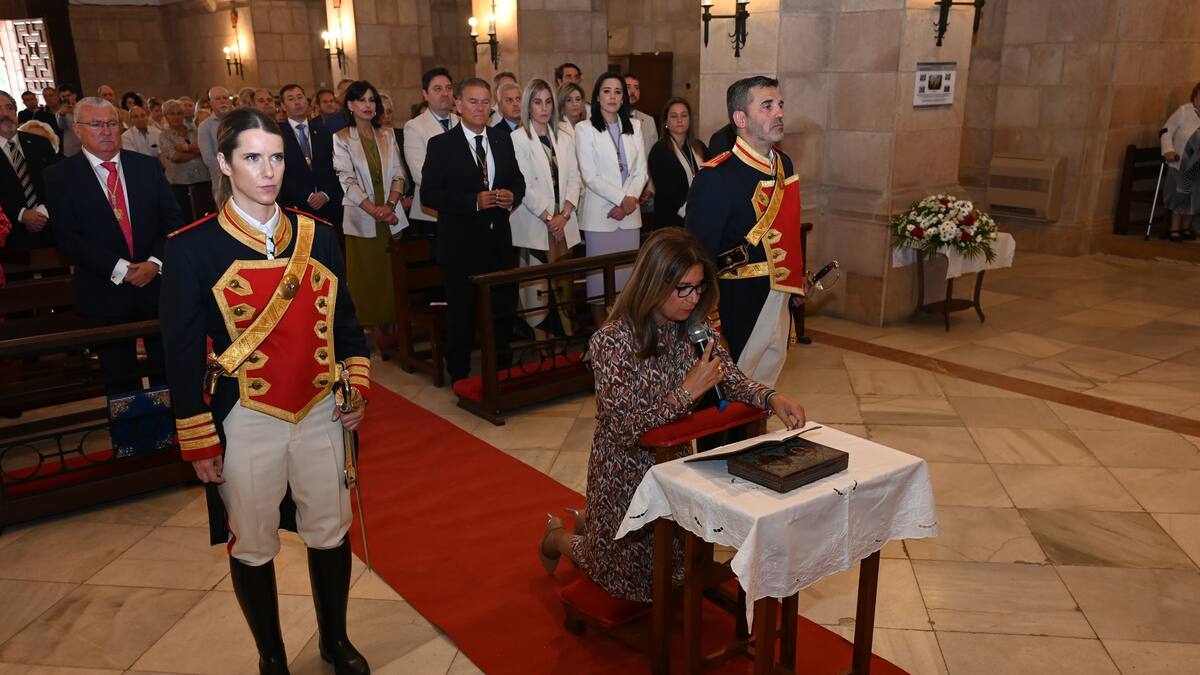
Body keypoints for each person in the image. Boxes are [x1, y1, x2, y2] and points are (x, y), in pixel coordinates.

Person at [159, 107, 371, 675]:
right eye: (253, 158)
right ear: (225, 165)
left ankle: (335, 640)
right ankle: (271, 654)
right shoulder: (191, 248)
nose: (268, 170)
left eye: (276, 157)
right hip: (245, 416)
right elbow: (179, 353)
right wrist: (198, 437)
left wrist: (355, 387)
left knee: (330, 532)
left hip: (320, 412)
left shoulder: (319, 237)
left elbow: (346, 325)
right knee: (253, 543)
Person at [537, 228, 807, 598]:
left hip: (675, 464)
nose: (692, 299)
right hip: (624, 472)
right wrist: (686, 393)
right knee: (624, 581)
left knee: (675, 569)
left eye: (698, 288)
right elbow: (625, 428)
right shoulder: (612, 340)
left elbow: (731, 378)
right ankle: (558, 536)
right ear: (654, 282)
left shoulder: (695, 330)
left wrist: (770, 397)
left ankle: (590, 523)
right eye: (683, 288)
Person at [46, 97, 180, 393]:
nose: (106, 131)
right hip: (103, 289)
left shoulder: (146, 167)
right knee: (119, 379)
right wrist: (121, 268)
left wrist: (155, 263)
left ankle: (172, 433)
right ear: (78, 130)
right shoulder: (61, 176)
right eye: (96, 124)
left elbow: (173, 222)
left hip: (155, 286)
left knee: (167, 370)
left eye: (111, 124)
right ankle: (131, 438)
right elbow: (68, 238)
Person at [685, 76, 804, 388]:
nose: (778, 112)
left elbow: (787, 229)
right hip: (735, 304)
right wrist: (709, 321)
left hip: (777, 298)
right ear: (740, 118)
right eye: (767, 106)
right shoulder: (716, 176)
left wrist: (794, 280)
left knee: (762, 396)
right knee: (726, 399)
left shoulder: (784, 165)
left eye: (780, 105)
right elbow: (697, 256)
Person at [421, 77, 525, 383]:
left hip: (499, 243)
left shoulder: (502, 139)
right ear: (458, 105)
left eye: (484, 102)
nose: (480, 108)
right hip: (460, 247)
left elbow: (517, 181)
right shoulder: (441, 145)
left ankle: (502, 369)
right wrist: (472, 202)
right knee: (462, 316)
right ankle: (461, 375)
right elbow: (430, 195)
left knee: (502, 311)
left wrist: (512, 196)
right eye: (473, 101)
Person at [332, 80, 407, 354]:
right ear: (350, 105)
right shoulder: (341, 138)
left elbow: (399, 173)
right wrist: (372, 208)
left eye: (372, 100)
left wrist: (388, 205)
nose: (368, 105)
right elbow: (346, 179)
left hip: (390, 213)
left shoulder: (386, 135)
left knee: (391, 274)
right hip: (362, 216)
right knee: (367, 276)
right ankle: (371, 330)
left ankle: (394, 326)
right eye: (361, 100)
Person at [575, 72, 647, 327]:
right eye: (607, 91)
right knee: (599, 288)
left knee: (627, 285)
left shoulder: (634, 126)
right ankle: (602, 345)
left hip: (629, 219)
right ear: (597, 96)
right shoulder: (584, 129)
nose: (613, 96)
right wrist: (622, 200)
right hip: (600, 217)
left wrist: (628, 202)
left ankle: (626, 341)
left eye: (618, 91)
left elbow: (641, 171)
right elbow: (590, 175)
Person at [511, 79, 582, 337]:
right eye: (537, 102)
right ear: (528, 106)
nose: (544, 108)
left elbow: (575, 178)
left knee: (564, 288)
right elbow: (524, 185)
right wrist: (550, 217)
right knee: (536, 293)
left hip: (563, 223)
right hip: (536, 224)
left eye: (548, 102)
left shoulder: (563, 137)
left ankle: (565, 341)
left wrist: (564, 215)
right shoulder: (517, 139)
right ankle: (541, 344)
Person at [0, 90, 58, 249]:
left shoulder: (40, 143)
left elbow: (57, 183)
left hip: (49, 229)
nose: (5, 114)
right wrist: (21, 214)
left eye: (9, 107)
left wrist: (43, 211)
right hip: (10, 238)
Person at [279, 83, 343, 227]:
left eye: (300, 97)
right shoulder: (278, 136)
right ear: (283, 106)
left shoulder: (323, 131)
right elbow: (280, 173)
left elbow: (337, 167)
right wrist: (306, 196)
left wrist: (326, 194)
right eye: (291, 99)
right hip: (296, 207)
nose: (297, 102)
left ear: (307, 101)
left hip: (329, 206)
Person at [403, 67, 458, 234]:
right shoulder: (414, 127)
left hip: (465, 208)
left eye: (448, 88)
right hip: (432, 212)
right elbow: (420, 173)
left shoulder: (462, 122)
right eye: (438, 89)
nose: (445, 94)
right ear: (425, 94)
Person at [648, 97, 707, 230]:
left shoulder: (700, 147)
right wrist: (691, 212)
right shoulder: (660, 150)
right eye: (674, 116)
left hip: (699, 214)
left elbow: (711, 176)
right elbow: (667, 189)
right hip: (671, 219)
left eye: (684, 115)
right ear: (666, 122)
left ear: (689, 120)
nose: (679, 120)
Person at [159, 99, 213, 222]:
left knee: (206, 216)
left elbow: (205, 148)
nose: (176, 117)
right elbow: (175, 157)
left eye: (179, 113)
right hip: (180, 183)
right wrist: (197, 152)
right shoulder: (165, 135)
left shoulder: (195, 130)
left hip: (202, 179)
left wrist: (186, 148)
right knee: (186, 218)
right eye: (172, 113)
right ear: (166, 116)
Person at [1161, 82, 1200, 242]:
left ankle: (1186, 226)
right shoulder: (1184, 111)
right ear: (1195, 97)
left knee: (1195, 195)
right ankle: (1174, 228)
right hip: (1181, 162)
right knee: (1180, 194)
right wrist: (1168, 150)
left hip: (1198, 165)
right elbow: (1166, 130)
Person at [199, 85, 234, 202]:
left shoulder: (239, 120)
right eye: (217, 99)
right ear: (210, 103)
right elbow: (208, 158)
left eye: (225, 97)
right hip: (221, 182)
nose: (222, 101)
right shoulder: (205, 126)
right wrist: (230, 171)